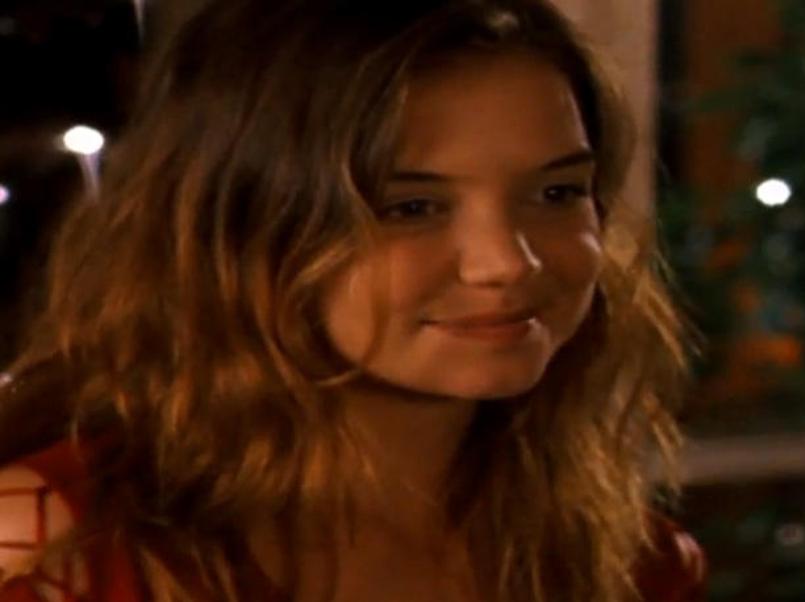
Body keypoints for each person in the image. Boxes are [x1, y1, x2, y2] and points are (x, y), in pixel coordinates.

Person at [0, 0, 705, 600]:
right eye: (411, 207)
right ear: (239, 228)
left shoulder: (629, 564)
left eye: (555, 193)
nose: (508, 262)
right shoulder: (51, 551)